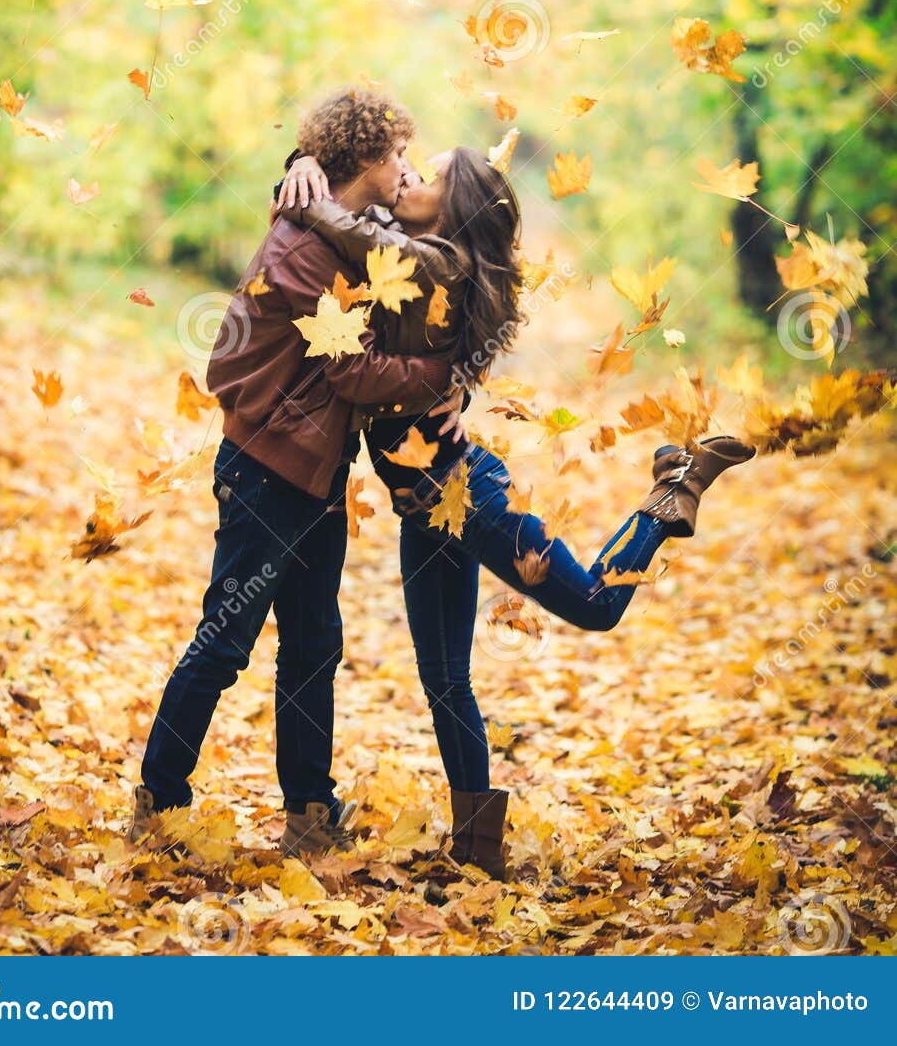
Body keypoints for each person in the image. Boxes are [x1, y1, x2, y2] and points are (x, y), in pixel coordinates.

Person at [277, 144, 755, 878]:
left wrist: (305, 193)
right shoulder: (422, 255)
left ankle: (671, 490)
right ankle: (476, 843)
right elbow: (363, 199)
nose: (409, 178)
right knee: (442, 677)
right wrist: (305, 156)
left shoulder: (435, 262)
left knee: (595, 605)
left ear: (456, 208)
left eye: (427, 177)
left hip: (465, 495)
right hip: (423, 507)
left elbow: (358, 229)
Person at [130, 89, 460, 857]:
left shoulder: (349, 228)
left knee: (313, 643)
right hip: (265, 470)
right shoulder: (301, 250)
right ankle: (160, 802)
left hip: (314, 470)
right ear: (366, 159)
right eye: (397, 153)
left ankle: (309, 811)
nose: (407, 166)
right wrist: (434, 375)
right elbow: (351, 371)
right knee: (226, 639)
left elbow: (411, 267)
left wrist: (461, 377)